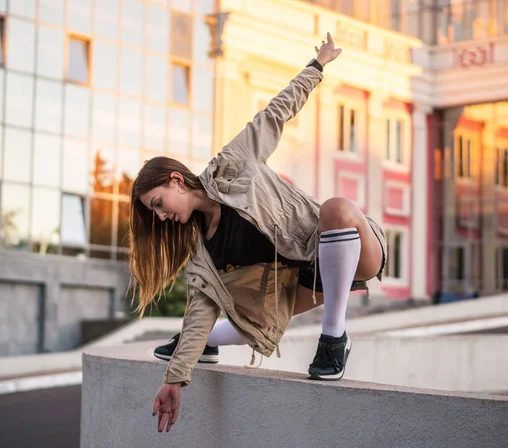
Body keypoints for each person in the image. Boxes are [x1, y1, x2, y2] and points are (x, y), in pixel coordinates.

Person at [128, 33, 387, 433]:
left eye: (158, 204)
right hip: (301, 281)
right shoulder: (201, 251)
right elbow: (200, 307)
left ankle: (333, 340)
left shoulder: (231, 165)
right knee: (243, 317)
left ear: (177, 181)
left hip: (343, 247)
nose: (161, 217)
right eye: (154, 213)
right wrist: (175, 377)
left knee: (336, 208)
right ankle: (203, 347)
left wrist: (316, 67)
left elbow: (275, 113)